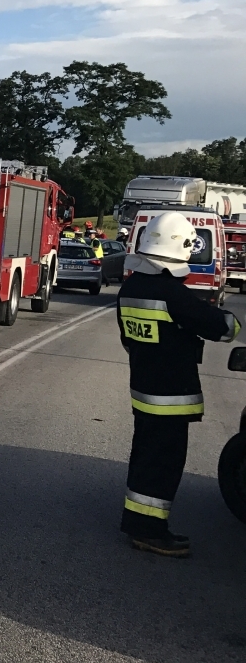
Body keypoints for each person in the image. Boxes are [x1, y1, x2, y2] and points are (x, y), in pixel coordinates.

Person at [116, 211, 240, 556]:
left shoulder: (132, 287)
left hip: (144, 391)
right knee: (164, 465)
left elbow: (129, 339)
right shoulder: (171, 292)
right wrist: (232, 322)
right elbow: (221, 327)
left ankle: (137, 522)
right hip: (171, 395)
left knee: (146, 458)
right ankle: (150, 531)